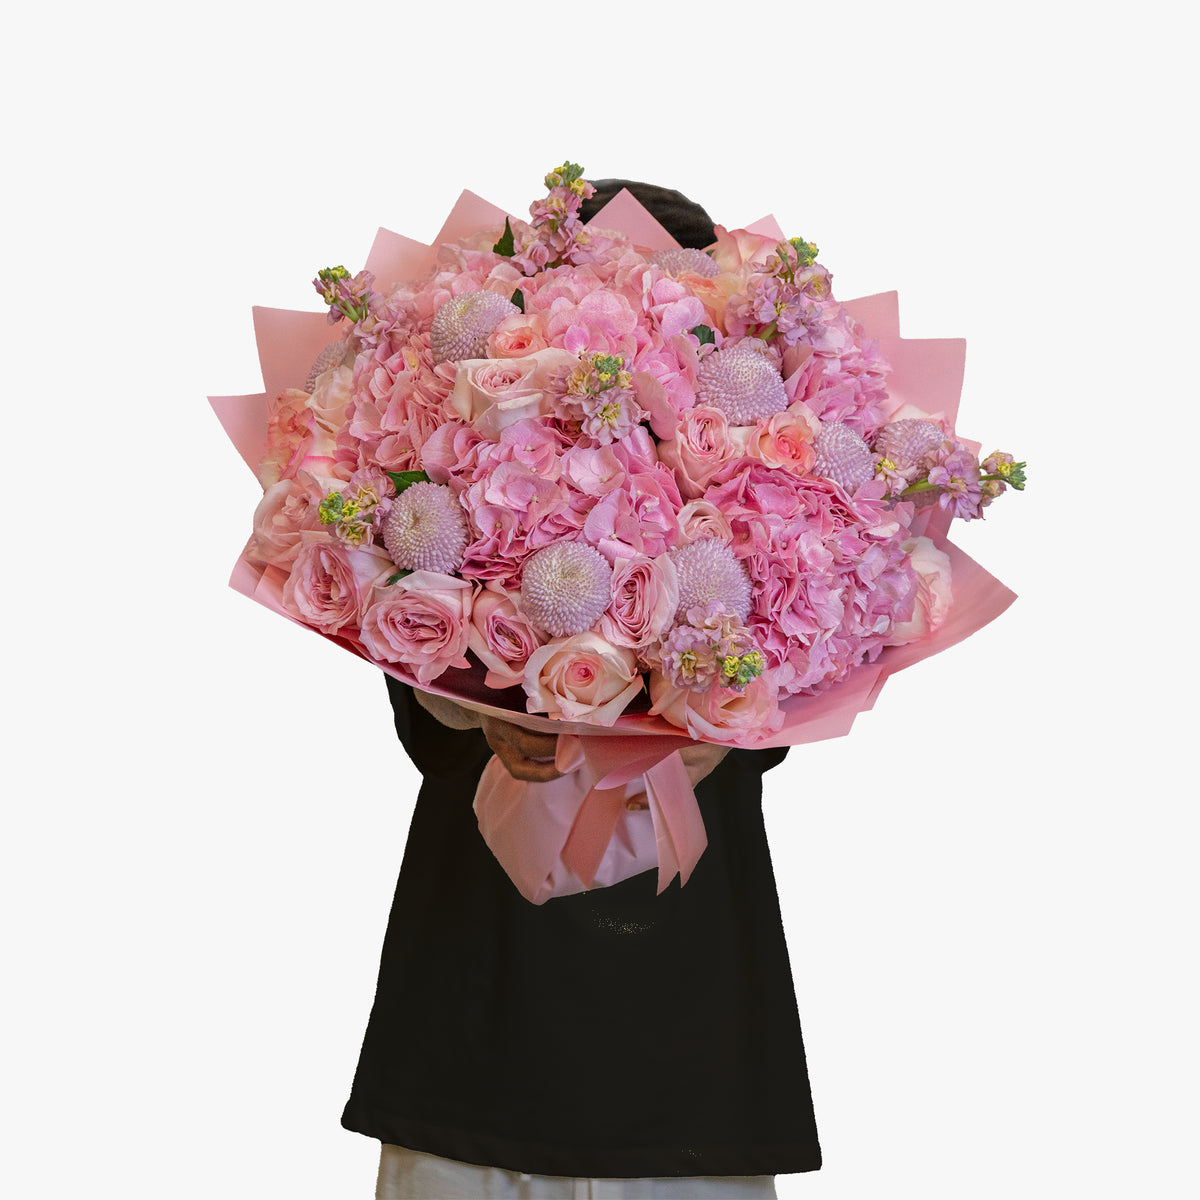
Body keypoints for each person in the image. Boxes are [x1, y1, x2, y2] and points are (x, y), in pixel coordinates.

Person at [340, 181, 823, 1200]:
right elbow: (415, 699)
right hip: (478, 1016)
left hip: (689, 1045)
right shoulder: (446, 474)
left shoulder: (771, 485)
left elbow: (788, 711)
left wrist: (710, 720)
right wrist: (478, 714)